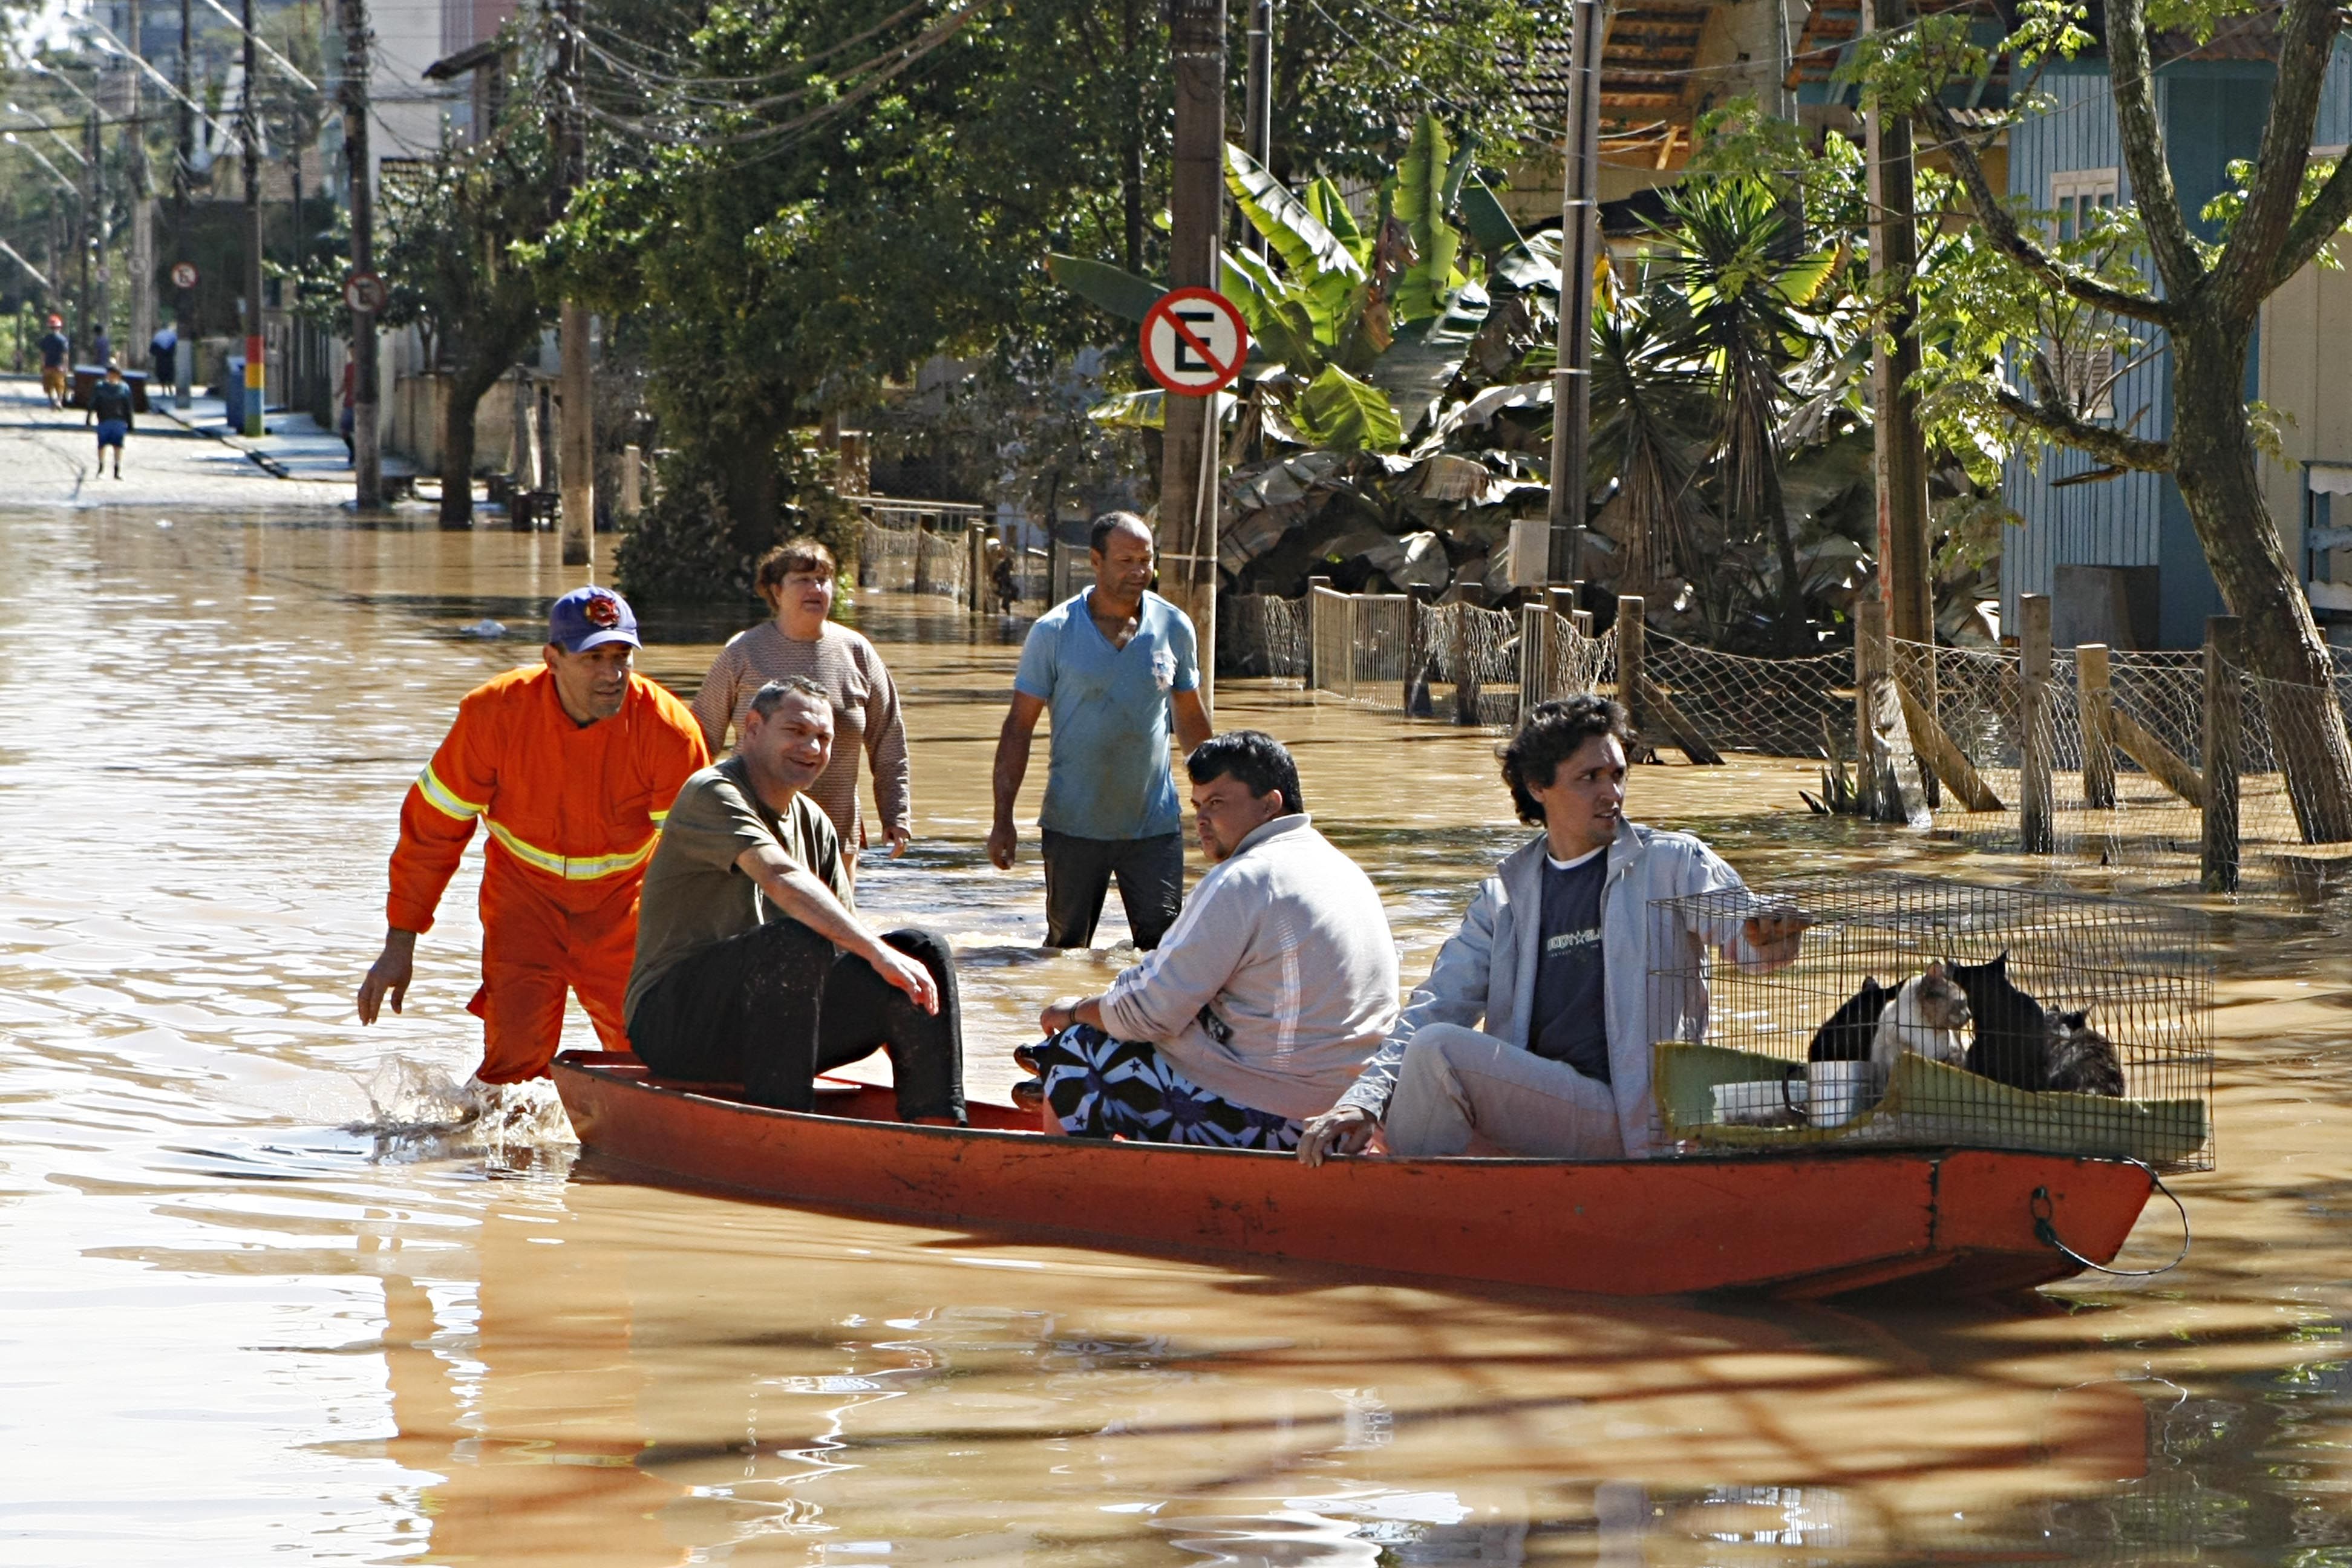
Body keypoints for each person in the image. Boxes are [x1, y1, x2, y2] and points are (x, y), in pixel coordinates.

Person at [1296, 695, 1806, 1166]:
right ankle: (1425, 1197)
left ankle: (1411, 1209)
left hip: (1628, 1116)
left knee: (1438, 1051)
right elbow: (1438, 1003)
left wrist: (1771, 933)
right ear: (1538, 787)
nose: (1612, 793)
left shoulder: (1673, 863)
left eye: (1618, 774)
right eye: (1590, 778)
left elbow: (1749, 939)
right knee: (1405, 1083)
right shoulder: (1505, 896)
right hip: (1541, 1113)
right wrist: (1363, 1101)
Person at [356, 587, 711, 1087]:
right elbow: (433, 831)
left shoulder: (669, 731)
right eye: (593, 658)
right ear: (552, 660)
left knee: (652, 1059)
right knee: (513, 1065)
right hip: (523, 903)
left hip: (625, 909)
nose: (612, 675)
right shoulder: (494, 714)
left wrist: (699, 962)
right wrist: (400, 941)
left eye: (621, 657)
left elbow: (698, 864)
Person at [1022, 731, 1397, 1150]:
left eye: (1217, 803)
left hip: (1286, 1123)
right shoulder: (1342, 868)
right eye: (1197, 805)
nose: (1201, 820)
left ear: (1270, 804)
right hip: (1353, 1117)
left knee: (1076, 1049)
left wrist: (1073, 1012)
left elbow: (1150, 1013)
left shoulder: (1245, 878)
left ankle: (1071, 1183)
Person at [627, 677, 964, 1121]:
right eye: (796, 731)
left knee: (921, 949)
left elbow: (845, 944)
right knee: (796, 940)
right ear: (753, 728)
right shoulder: (711, 792)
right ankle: (783, 1122)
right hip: (675, 1024)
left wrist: (902, 1008)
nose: (812, 748)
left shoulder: (815, 822)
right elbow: (779, 876)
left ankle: (938, 1124)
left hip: (772, 1025)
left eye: (824, 738)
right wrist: (878, 954)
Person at [988, 512, 1213, 950]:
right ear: (1095, 560)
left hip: (1153, 826)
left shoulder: (1173, 627)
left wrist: (1218, 805)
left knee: (1165, 950)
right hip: (1074, 825)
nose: (1139, 571)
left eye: (1146, 560)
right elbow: (1018, 728)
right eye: (1126, 561)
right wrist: (1003, 820)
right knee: (1065, 952)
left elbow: (1190, 718)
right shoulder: (1054, 632)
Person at [691, 538, 910, 874]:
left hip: (836, 833)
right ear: (777, 591)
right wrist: (691, 815)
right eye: (803, 579)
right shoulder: (743, 652)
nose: (816, 588)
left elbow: (889, 739)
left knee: (833, 911)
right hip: (755, 832)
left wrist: (896, 813)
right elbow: (699, 738)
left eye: (823, 579)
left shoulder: (857, 652)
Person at [86, 364, 134, 480]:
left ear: (119, 376)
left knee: (118, 446)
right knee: (102, 445)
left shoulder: (124, 388)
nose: (111, 377)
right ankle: (101, 468)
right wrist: (89, 417)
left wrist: (131, 423)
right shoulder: (100, 387)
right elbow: (93, 402)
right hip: (104, 420)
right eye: (109, 374)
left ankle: (117, 470)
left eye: (114, 374)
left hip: (119, 421)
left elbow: (129, 406)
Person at [38, 316, 70, 408]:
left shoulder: (46, 339)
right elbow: (65, 355)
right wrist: (65, 366)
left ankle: (52, 400)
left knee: (48, 385)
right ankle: (59, 401)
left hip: (48, 366)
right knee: (60, 385)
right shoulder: (63, 340)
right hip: (59, 367)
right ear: (59, 327)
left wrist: (43, 365)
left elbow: (43, 354)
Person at [150, 322, 178, 397]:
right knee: (170, 374)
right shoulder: (172, 335)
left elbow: (152, 350)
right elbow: (175, 347)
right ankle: (170, 389)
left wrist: (157, 353)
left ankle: (163, 390)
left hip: (160, 359)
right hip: (169, 359)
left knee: (161, 374)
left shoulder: (158, 336)